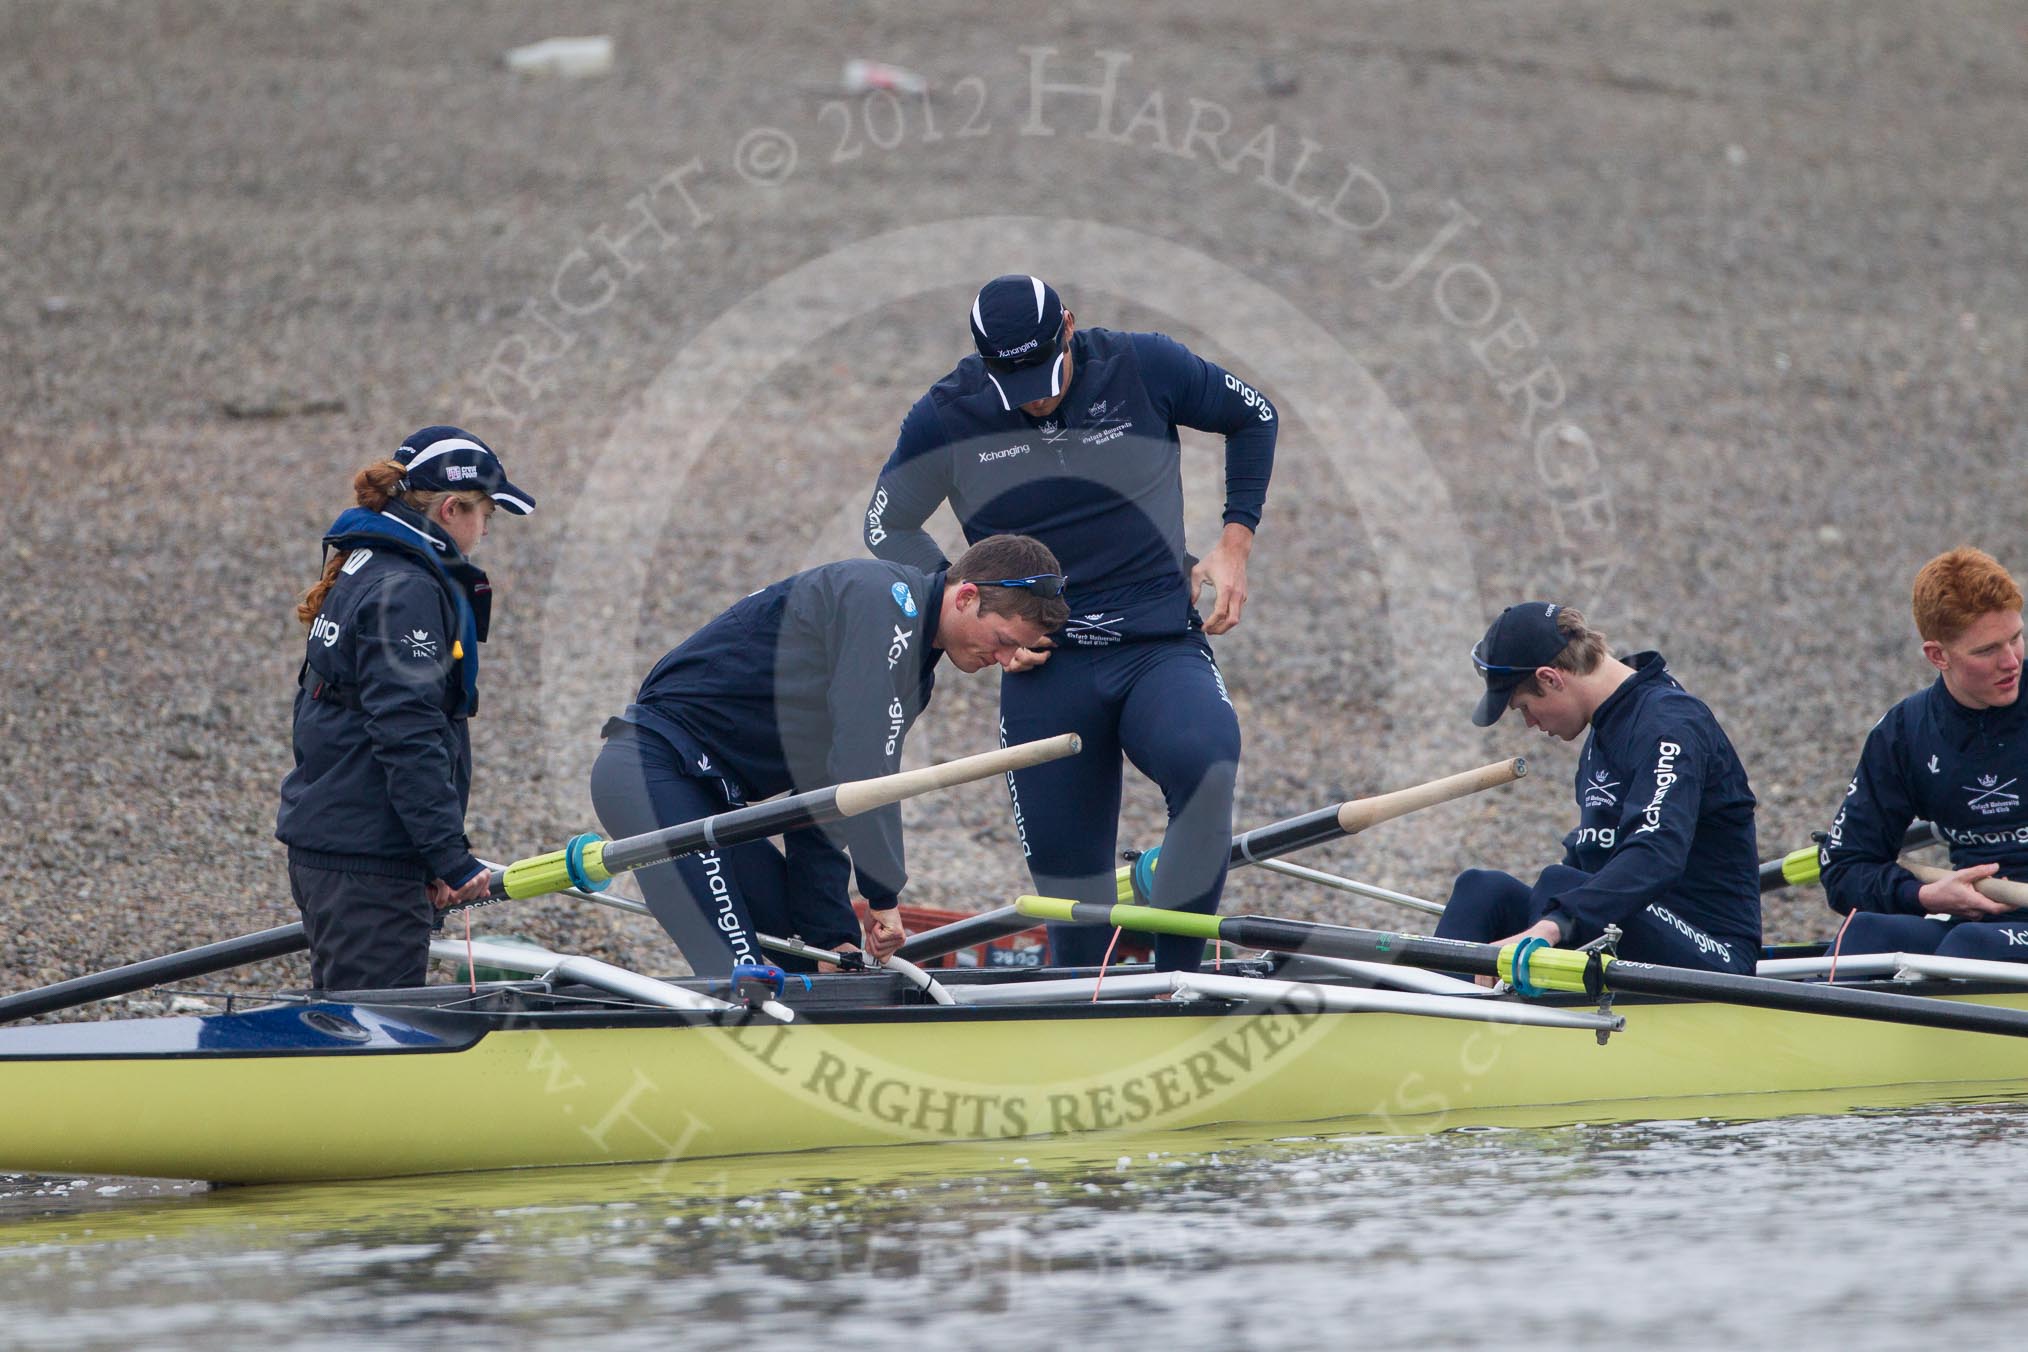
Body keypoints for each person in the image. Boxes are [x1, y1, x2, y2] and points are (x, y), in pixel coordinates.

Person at [862, 274, 1277, 971]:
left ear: (1070, 329)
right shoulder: (947, 414)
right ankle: (1081, 1015)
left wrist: (1234, 541)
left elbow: (1254, 415)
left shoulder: (1143, 365)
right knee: (1074, 905)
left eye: (1045, 372)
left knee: (1209, 770)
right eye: (1014, 380)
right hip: (1047, 670)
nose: (1035, 394)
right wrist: (977, 609)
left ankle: (1179, 985)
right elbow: (887, 525)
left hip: (1157, 647)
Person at [591, 534, 1068, 976]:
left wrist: (833, 938)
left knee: (808, 959)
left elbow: (826, 802)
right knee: (741, 978)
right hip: (650, 771)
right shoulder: (881, 599)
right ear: (966, 598)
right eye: (1005, 642)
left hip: (709, 802)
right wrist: (882, 895)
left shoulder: (914, 676)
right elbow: (864, 773)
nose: (1007, 661)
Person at [276, 426, 536, 989]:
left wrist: (429, 857)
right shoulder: (407, 591)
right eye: (486, 514)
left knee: (344, 1022)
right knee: (371, 1045)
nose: (486, 529)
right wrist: (450, 859)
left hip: (339, 847)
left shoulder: (364, 563)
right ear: (450, 509)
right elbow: (407, 733)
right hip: (365, 862)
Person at [1436, 603, 1761, 973]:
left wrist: (1553, 925)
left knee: (1556, 885)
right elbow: (1592, 862)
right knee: (1481, 889)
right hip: (1629, 927)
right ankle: (1417, 1009)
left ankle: (1448, 1014)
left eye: (1523, 706)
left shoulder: (1670, 725)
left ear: (1550, 678)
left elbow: (1657, 854)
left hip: (1714, 953)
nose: (1528, 722)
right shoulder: (1604, 734)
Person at [1820, 547, 2028, 959]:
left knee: (1968, 947)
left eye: (2017, 637)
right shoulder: (1905, 732)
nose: (2011, 661)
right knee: (1863, 934)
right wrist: (1926, 895)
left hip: (1981, 940)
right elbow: (1844, 868)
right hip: (1978, 922)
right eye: (1987, 651)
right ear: (1938, 655)